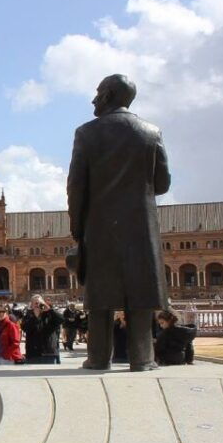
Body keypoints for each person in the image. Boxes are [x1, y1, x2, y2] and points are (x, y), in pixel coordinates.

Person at [68, 74, 171, 372]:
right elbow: (162, 183)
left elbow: (76, 186)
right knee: (140, 294)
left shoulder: (86, 134)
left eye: (98, 93)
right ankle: (143, 358)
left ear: (110, 95)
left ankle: (98, 358)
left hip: (99, 228)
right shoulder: (151, 132)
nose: (94, 99)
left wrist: (77, 228)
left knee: (100, 297)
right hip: (141, 227)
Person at [21, 295, 62, 364]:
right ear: (31, 305)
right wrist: (35, 317)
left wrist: (50, 310)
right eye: (35, 303)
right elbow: (25, 328)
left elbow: (61, 319)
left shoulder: (50, 314)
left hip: (49, 353)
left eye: (39, 303)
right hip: (33, 354)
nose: (37, 305)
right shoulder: (28, 316)